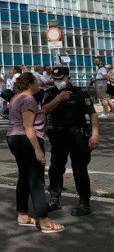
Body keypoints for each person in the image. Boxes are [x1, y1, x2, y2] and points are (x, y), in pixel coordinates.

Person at [6, 72, 64, 233]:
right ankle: (44, 221)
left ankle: (23, 215)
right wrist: (38, 149)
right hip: (26, 140)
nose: (39, 84)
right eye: (36, 81)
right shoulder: (28, 99)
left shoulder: (16, 98)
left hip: (14, 138)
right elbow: (28, 126)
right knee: (36, 180)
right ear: (30, 83)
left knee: (24, 177)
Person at [43, 67, 99, 217]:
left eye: (60, 79)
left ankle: (84, 202)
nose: (57, 82)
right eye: (55, 79)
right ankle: (54, 199)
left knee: (80, 169)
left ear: (67, 78)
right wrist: (58, 99)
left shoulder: (80, 93)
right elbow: (44, 111)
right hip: (59, 135)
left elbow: (92, 114)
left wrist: (95, 135)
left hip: (78, 135)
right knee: (56, 167)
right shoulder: (51, 93)